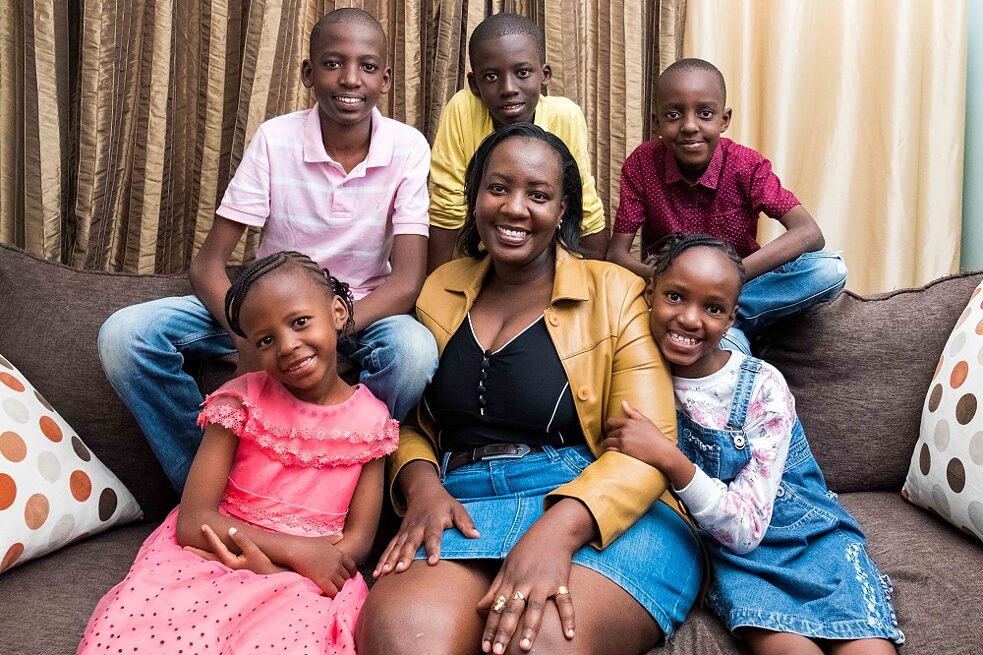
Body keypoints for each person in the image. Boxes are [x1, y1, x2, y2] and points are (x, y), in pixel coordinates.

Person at [356, 123, 702, 655]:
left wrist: (558, 531)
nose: (515, 208)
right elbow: (410, 423)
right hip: (464, 502)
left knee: (534, 643)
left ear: (563, 211)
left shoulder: (617, 291)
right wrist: (421, 485)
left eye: (538, 195)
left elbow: (650, 443)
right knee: (404, 641)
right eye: (498, 188)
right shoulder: (439, 289)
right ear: (475, 198)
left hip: (593, 503)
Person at [98, 8, 437, 492]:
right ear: (307, 73)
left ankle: (338, 475)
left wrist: (328, 328)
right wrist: (249, 336)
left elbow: (405, 282)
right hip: (265, 310)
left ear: (385, 78)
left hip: (358, 309)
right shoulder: (276, 138)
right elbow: (208, 265)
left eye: (366, 66)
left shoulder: (407, 147)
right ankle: (209, 484)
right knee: (124, 336)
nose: (349, 78)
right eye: (332, 63)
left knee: (413, 352)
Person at [78, 251, 398, 654]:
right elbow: (194, 523)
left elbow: (357, 542)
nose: (287, 346)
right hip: (214, 555)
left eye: (300, 322)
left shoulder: (374, 422)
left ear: (337, 312)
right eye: (266, 339)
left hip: (305, 580)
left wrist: (282, 569)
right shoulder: (239, 403)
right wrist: (292, 551)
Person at [604, 233, 904, 654]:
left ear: (731, 319)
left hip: (808, 539)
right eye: (675, 296)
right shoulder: (632, 375)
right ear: (649, 292)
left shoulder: (762, 387)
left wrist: (671, 460)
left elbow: (746, 527)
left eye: (712, 308)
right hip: (735, 561)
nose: (690, 319)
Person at [606, 58, 847, 354]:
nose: (690, 126)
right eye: (673, 115)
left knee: (829, 269)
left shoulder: (747, 165)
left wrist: (728, 279)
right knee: (729, 346)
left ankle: (728, 316)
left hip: (742, 286)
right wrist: (665, 280)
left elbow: (810, 233)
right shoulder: (642, 163)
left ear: (724, 119)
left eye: (705, 113)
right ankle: (724, 322)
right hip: (677, 297)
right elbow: (616, 254)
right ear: (657, 122)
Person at [427, 12, 608, 271]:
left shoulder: (564, 115)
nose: (508, 88)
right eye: (491, 77)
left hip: (542, 258)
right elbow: (447, 203)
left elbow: (583, 203)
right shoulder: (464, 109)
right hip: (477, 256)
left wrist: (594, 278)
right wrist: (434, 283)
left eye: (522, 72)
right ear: (474, 83)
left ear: (544, 74)